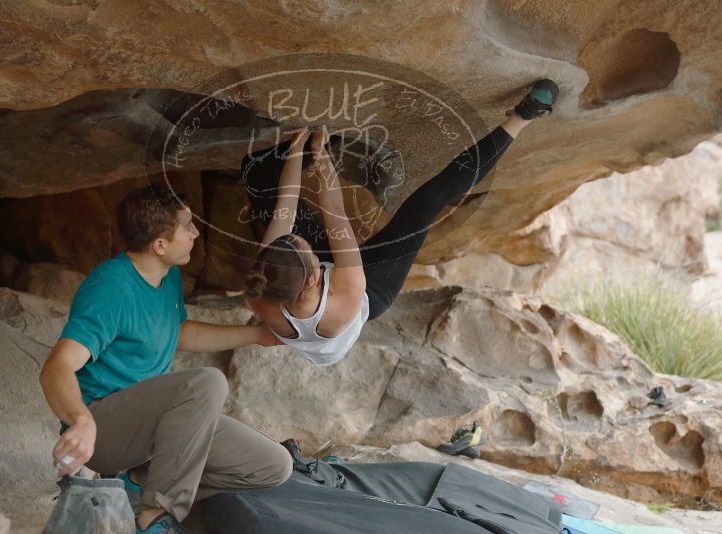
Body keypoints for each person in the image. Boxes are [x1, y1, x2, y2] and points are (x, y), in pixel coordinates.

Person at [242, 79, 559, 366]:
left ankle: (329, 136)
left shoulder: (261, 286)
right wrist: (321, 157)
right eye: (307, 248)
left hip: (309, 286)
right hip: (372, 290)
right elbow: (333, 209)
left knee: (256, 174)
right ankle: (522, 118)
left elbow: (285, 204)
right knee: (425, 204)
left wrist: (299, 150)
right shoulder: (349, 295)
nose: (307, 242)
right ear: (313, 278)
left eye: (294, 241)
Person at [39, 186, 292, 534]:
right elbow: (57, 367)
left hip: (155, 426)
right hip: (105, 426)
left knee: (273, 465)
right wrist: (80, 421)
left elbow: (177, 332)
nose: (195, 233)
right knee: (207, 382)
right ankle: (155, 517)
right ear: (160, 245)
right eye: (188, 226)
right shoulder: (111, 289)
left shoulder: (166, 276)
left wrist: (256, 335)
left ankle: (138, 487)